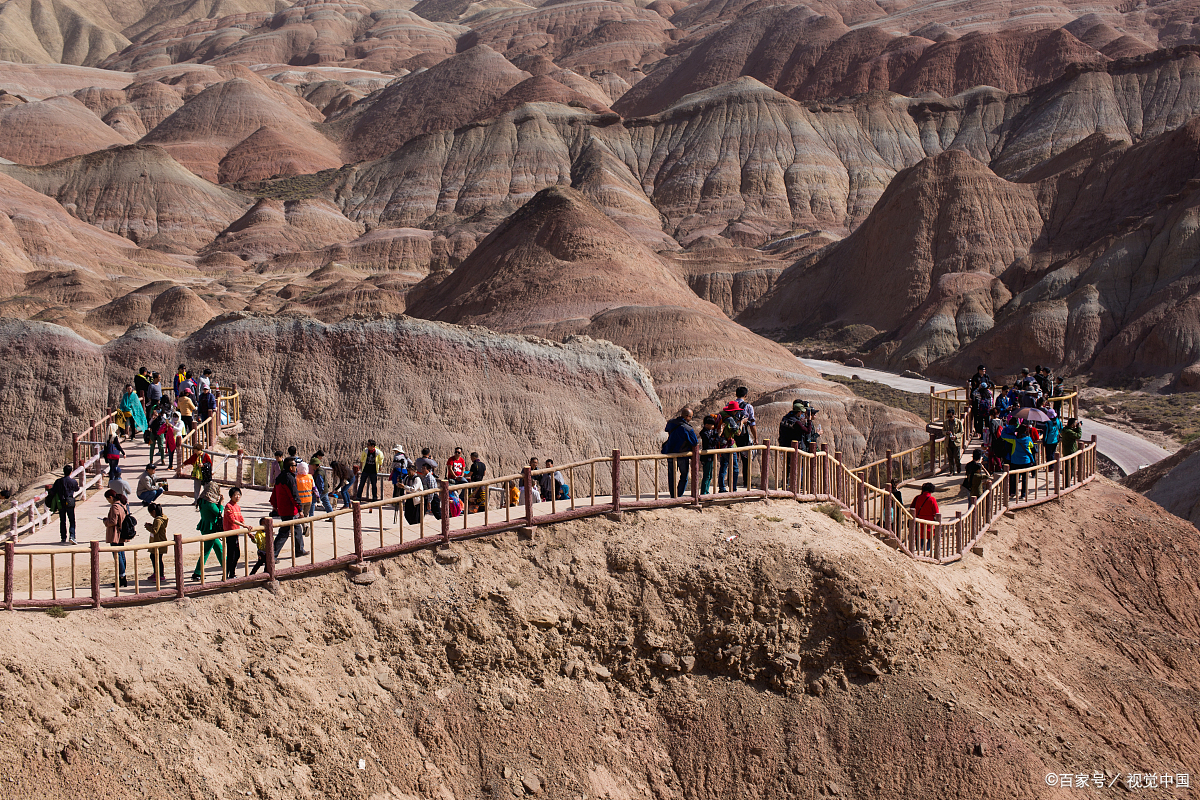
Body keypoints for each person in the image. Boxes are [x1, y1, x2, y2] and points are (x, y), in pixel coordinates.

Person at [266, 457, 302, 563]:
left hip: (283, 509)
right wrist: (300, 508)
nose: (296, 468)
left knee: (297, 529)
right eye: (295, 466)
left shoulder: (280, 477)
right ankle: (272, 555)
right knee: (284, 532)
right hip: (289, 510)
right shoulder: (289, 478)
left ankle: (299, 550)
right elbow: (293, 495)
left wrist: (274, 505)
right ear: (291, 467)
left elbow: (274, 494)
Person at [191, 480, 225, 581]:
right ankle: (197, 572)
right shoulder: (210, 503)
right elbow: (218, 512)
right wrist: (221, 503)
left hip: (205, 526)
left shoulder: (201, 500)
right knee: (206, 551)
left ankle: (226, 566)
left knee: (219, 549)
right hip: (211, 528)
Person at [662, 407, 698, 498]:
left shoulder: (671, 423)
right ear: (687, 417)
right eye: (691, 417)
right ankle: (679, 494)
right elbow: (694, 442)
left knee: (671, 475)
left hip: (670, 452)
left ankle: (673, 494)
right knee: (684, 475)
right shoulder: (687, 428)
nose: (691, 419)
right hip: (682, 454)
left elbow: (666, 429)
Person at [103, 489, 129, 587]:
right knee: (121, 555)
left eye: (108, 499)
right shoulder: (122, 505)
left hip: (115, 534)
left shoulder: (115, 507)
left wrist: (105, 521)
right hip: (122, 533)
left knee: (117, 556)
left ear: (110, 497)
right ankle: (123, 577)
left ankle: (121, 577)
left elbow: (113, 521)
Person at [734, 386, 758, 490]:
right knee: (746, 460)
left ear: (736, 394)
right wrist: (755, 437)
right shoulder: (748, 406)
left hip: (731, 436)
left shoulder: (729, 405)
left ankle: (731, 483)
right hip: (743, 436)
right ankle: (746, 483)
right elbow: (752, 423)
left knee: (732, 460)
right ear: (746, 395)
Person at [50, 465, 79, 544]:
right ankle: (72, 536)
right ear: (71, 472)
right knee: (72, 520)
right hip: (70, 502)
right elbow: (77, 489)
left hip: (61, 502)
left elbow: (53, 491)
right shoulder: (73, 481)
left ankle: (63, 537)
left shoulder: (58, 481)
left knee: (62, 520)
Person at [222, 487, 246, 579]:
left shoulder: (237, 506)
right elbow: (232, 520)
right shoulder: (228, 506)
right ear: (231, 496)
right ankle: (228, 574)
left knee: (237, 554)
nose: (237, 497)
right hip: (230, 532)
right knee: (231, 554)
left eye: (239, 495)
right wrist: (243, 526)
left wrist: (246, 526)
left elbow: (240, 518)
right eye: (235, 495)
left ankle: (231, 573)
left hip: (236, 532)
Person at [1008, 423, 1036, 501]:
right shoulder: (1028, 439)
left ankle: (1013, 492)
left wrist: (1010, 428)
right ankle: (1023, 494)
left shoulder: (1014, 439)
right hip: (1026, 461)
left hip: (1015, 461)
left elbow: (1003, 435)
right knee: (1024, 479)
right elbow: (1031, 446)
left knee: (1013, 477)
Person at [143, 502, 169, 582]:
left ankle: (160, 575)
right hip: (157, 541)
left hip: (159, 542)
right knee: (153, 557)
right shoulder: (161, 518)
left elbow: (155, 530)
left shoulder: (158, 520)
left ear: (153, 512)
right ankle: (156, 572)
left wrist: (148, 527)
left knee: (157, 558)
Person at [295, 462, 314, 555]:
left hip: (300, 500)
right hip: (309, 499)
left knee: (300, 515)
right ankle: (306, 526)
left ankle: (304, 527)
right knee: (306, 515)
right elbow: (314, 488)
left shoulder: (297, 478)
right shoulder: (310, 477)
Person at [699, 415, 721, 494]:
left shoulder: (710, 432)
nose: (713, 426)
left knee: (709, 475)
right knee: (707, 475)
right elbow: (711, 443)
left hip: (710, 456)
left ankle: (706, 491)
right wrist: (718, 435)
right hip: (706, 456)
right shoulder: (704, 433)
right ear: (706, 425)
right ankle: (704, 492)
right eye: (712, 425)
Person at [1060, 418, 1083, 485]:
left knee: (1068, 467)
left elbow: (1073, 431)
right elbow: (1078, 436)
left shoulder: (1065, 430)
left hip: (1067, 451)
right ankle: (1067, 483)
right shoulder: (1068, 432)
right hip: (1070, 451)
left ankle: (1068, 482)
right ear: (1072, 424)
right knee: (1070, 468)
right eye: (1075, 423)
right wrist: (1079, 428)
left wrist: (1077, 427)